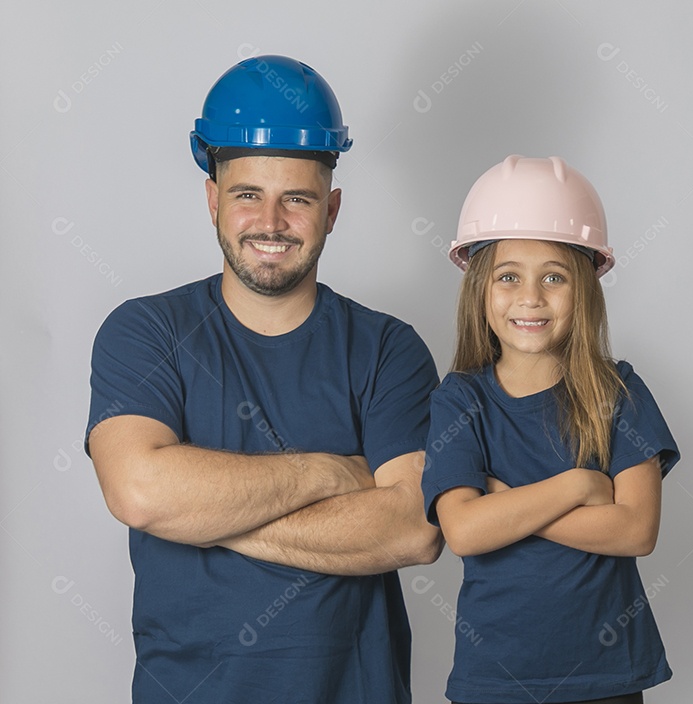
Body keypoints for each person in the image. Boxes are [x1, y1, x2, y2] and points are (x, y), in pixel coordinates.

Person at [85, 55, 441, 703]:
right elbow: (139, 491)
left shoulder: (389, 348)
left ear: (331, 210)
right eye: (248, 194)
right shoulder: (146, 333)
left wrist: (196, 512)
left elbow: (414, 528)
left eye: (297, 199)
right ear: (214, 199)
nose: (271, 223)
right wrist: (334, 474)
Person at [421, 155, 680, 704]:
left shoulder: (618, 392)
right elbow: (463, 531)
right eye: (508, 276)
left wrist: (507, 506)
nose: (530, 297)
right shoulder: (460, 400)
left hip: (606, 676)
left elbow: (636, 530)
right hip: (496, 679)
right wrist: (577, 487)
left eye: (554, 278)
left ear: (584, 287)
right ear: (479, 291)